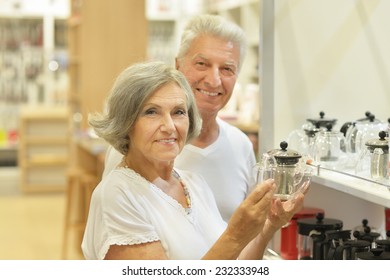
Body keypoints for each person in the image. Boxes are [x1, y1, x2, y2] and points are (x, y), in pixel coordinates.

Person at [81, 61, 309, 260]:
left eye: (179, 112)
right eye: (152, 112)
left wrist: (268, 226)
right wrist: (235, 235)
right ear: (126, 122)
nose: (169, 126)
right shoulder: (117, 195)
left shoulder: (194, 185)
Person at [103, 14, 257, 222]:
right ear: (178, 66)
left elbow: (249, 229)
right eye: (202, 64)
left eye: (227, 69)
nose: (214, 80)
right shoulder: (138, 146)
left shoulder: (241, 146)